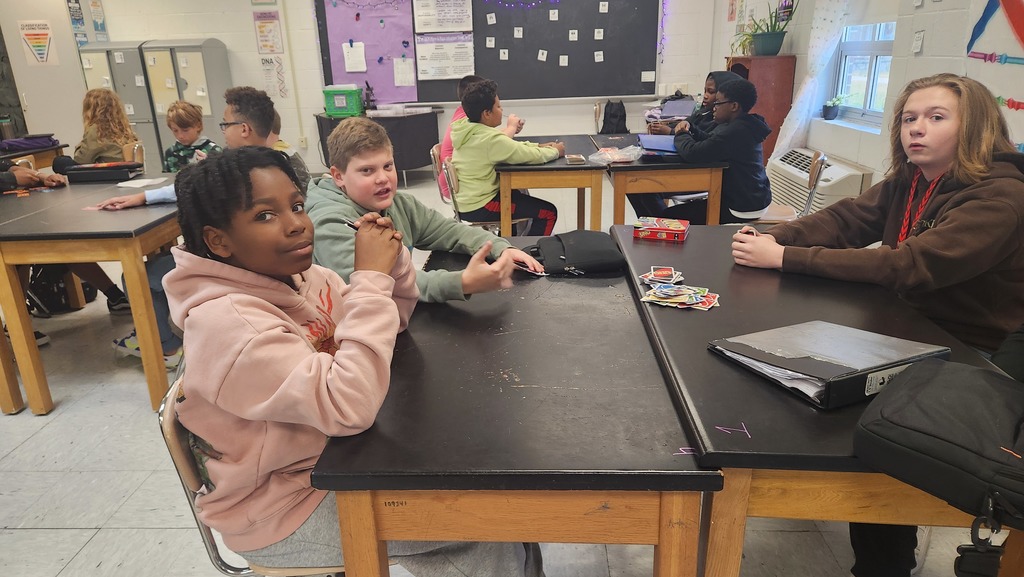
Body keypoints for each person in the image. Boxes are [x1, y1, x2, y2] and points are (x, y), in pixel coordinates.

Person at [163, 146, 542, 577]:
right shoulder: (228, 324)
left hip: (333, 463)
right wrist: (371, 280)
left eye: (297, 206)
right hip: (282, 507)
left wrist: (393, 266)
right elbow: (348, 407)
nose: (296, 226)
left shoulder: (308, 280)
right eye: (265, 216)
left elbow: (389, 325)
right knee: (481, 525)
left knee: (500, 494)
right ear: (218, 240)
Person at [731, 73, 1024, 577]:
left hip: (974, 351)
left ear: (974, 126)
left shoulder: (1000, 197)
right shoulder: (914, 180)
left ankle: (882, 564)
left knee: (885, 434)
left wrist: (786, 257)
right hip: (910, 325)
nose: (917, 129)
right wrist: (772, 234)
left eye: (936, 118)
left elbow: (908, 264)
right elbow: (847, 219)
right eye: (909, 118)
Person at [307, 116, 544, 303]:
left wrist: (502, 249)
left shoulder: (399, 204)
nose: (383, 178)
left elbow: (449, 231)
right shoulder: (330, 224)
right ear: (338, 176)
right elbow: (384, 287)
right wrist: (462, 282)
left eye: (387, 166)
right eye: (367, 171)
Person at [629, 78, 772, 224]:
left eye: (718, 103)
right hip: (748, 197)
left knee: (667, 217)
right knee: (642, 191)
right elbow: (711, 141)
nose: (713, 107)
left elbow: (694, 153)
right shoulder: (742, 125)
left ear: (734, 106)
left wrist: (681, 134)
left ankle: (658, 229)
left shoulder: (737, 131)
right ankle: (655, 227)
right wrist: (692, 129)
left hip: (741, 206)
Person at [450, 79, 563, 235]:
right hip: (480, 204)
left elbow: (511, 146)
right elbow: (527, 155)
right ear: (487, 113)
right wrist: (556, 151)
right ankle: (529, 255)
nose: (502, 110)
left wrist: (540, 146)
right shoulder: (489, 140)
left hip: (467, 201)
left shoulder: (469, 128)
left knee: (516, 196)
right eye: (498, 106)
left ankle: (510, 246)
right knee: (548, 213)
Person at [438, 74, 524, 200]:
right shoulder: (466, 118)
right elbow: (496, 143)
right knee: (516, 188)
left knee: (518, 190)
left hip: (459, 178)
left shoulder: (465, 113)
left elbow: (490, 139)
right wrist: (510, 128)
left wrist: (512, 128)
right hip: (459, 184)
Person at [221, 87, 310, 191]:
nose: (224, 131)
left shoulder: (254, 175)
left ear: (244, 129)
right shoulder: (274, 163)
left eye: (225, 124)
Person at [648, 70, 743, 135]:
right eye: (705, 91)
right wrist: (664, 126)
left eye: (711, 92)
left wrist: (670, 132)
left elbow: (699, 141)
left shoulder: (722, 122)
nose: (705, 96)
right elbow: (687, 122)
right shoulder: (704, 112)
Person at [72, 88, 138, 164]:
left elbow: (81, 160)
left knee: (61, 162)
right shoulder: (123, 127)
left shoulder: (97, 130)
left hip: (108, 173)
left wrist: (79, 146)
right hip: (125, 171)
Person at [162, 100, 221, 173]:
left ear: (198, 126)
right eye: (175, 130)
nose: (180, 136)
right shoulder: (171, 152)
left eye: (185, 130)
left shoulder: (213, 150)